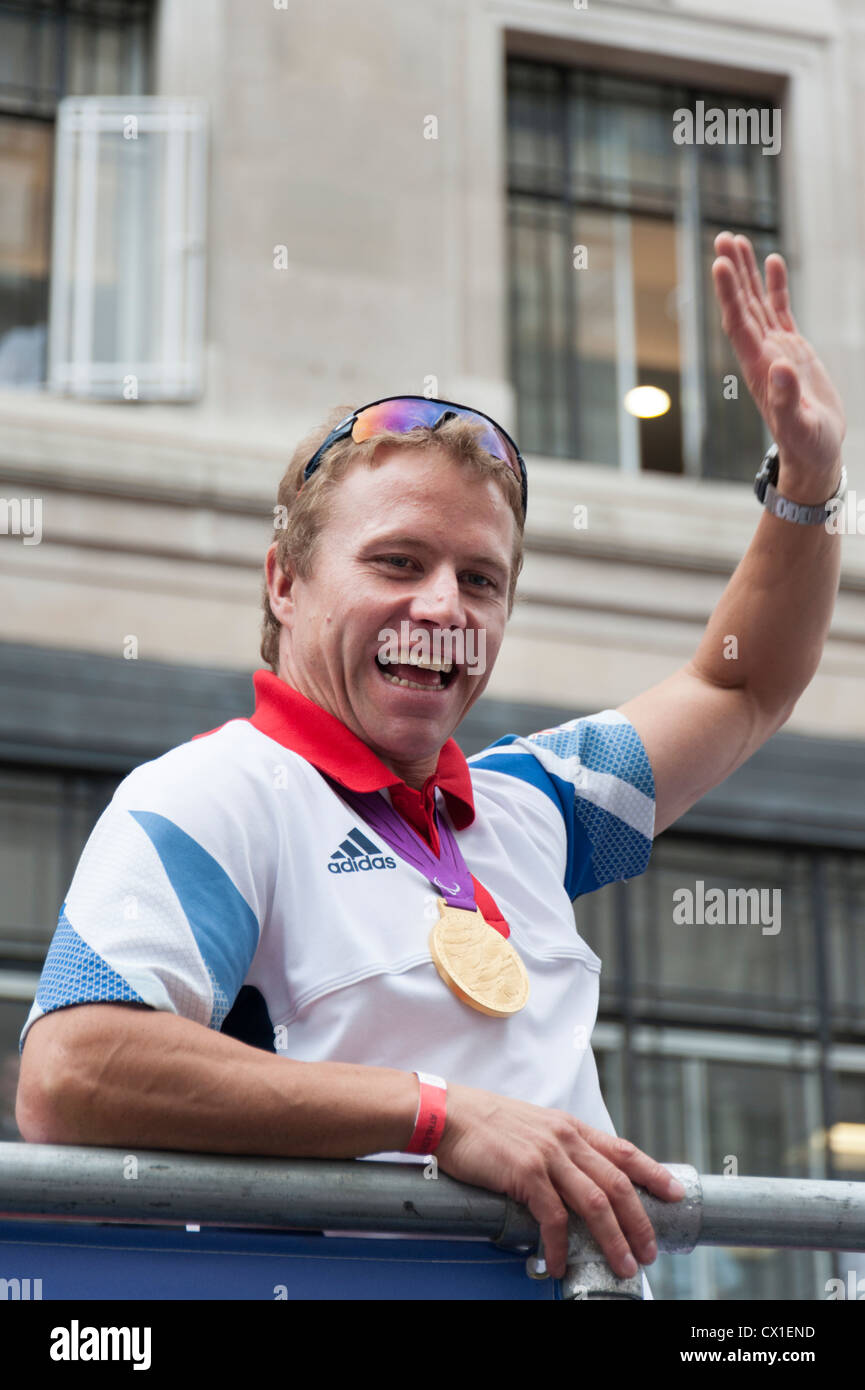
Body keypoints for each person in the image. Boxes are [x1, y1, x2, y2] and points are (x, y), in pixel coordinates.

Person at [15, 232, 846, 1299]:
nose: (444, 607)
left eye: (480, 578)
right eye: (398, 562)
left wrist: (809, 482)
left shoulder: (529, 802)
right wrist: (437, 1114)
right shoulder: (217, 792)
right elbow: (74, 1069)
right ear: (284, 581)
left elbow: (742, 686)